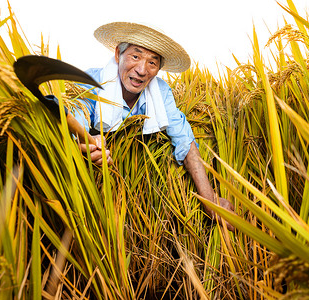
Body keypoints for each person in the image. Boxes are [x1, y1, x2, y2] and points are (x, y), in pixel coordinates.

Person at [75, 22, 234, 231]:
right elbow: (76, 119)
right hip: (91, 188)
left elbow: (184, 140)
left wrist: (210, 199)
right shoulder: (91, 81)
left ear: (158, 68)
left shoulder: (160, 93)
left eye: (152, 62)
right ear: (117, 55)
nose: (141, 70)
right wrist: (84, 141)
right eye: (135, 56)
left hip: (133, 193)